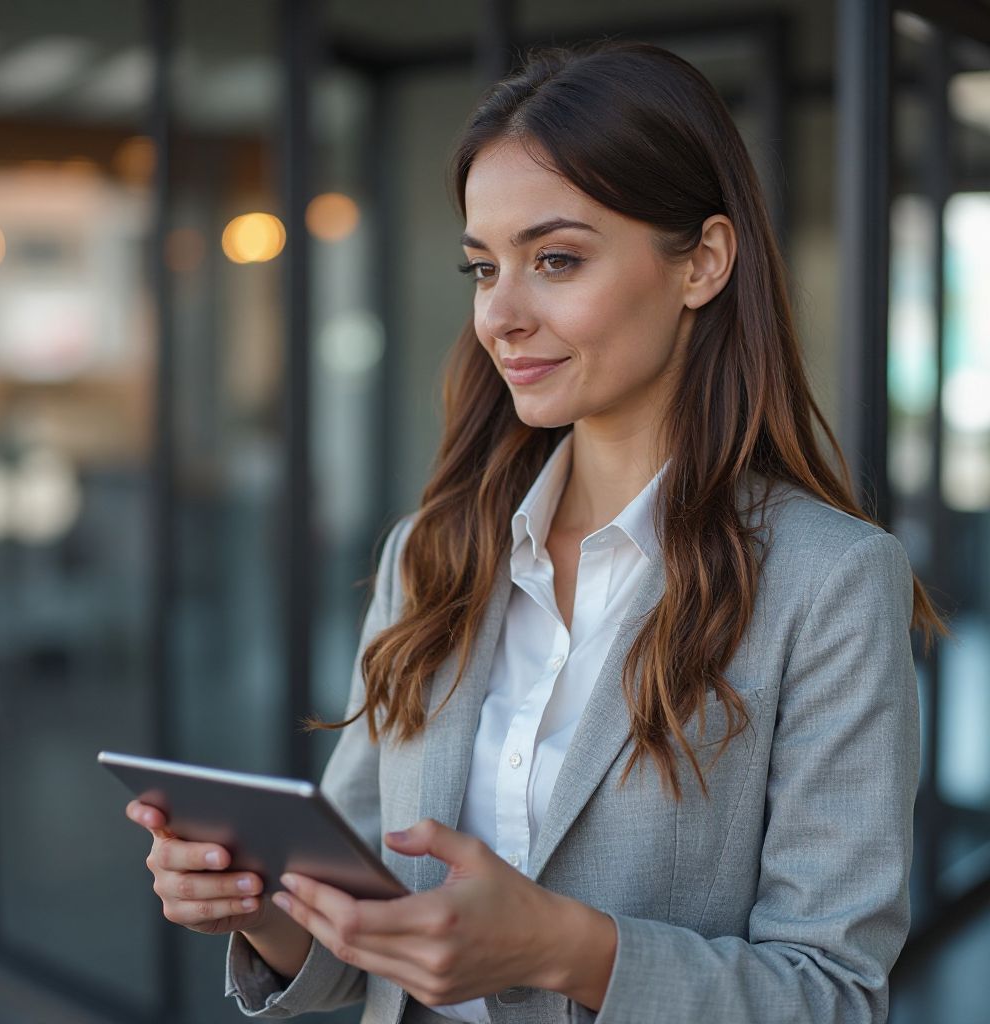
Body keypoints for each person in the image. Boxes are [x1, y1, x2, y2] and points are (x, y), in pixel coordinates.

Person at [127, 41, 942, 1023]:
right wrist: (261, 906)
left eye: (555, 259)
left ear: (705, 263)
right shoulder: (430, 552)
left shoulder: (831, 581)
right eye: (482, 266)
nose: (500, 315)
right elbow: (375, 920)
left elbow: (834, 996)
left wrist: (572, 951)